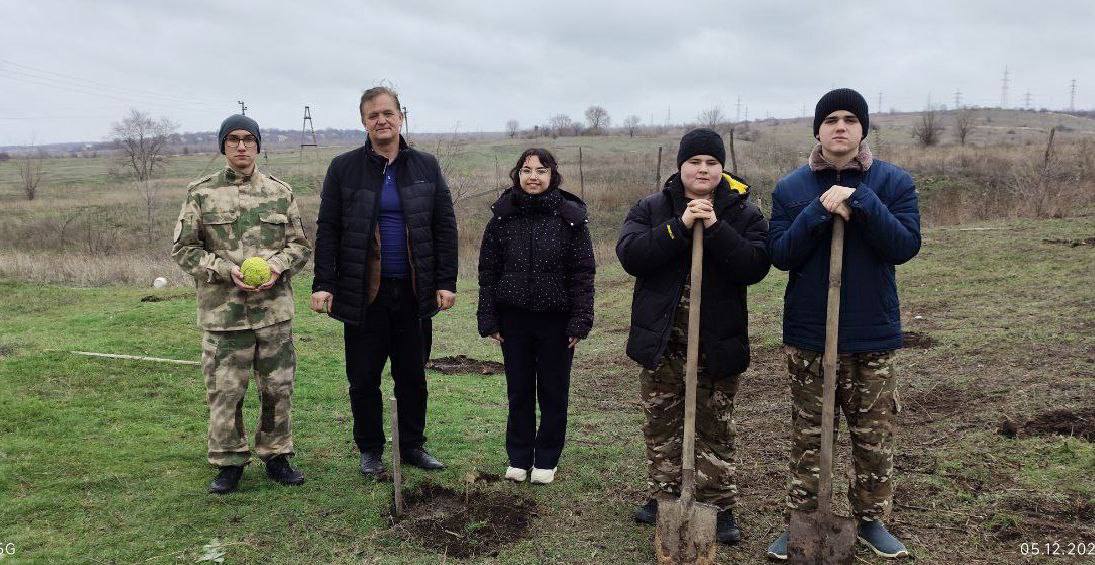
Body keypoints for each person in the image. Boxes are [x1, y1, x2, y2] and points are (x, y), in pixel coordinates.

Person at [765, 88, 921, 560]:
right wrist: (819, 211)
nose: (840, 126)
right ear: (817, 129)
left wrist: (864, 204)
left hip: (871, 331)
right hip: (810, 333)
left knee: (873, 435)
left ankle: (871, 521)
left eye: (850, 119)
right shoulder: (791, 188)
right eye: (830, 119)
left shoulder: (893, 182)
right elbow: (780, 254)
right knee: (810, 435)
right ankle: (803, 521)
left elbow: (905, 246)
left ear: (863, 129)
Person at [616, 128, 770, 545]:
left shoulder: (743, 213)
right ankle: (666, 495)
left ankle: (718, 505)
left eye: (712, 163)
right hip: (663, 341)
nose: (703, 169)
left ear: (722, 168)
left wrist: (716, 228)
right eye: (695, 162)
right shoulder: (651, 208)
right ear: (680, 166)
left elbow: (755, 265)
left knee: (714, 426)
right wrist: (680, 225)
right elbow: (632, 255)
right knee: (662, 423)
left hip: (716, 343)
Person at [311, 86, 458, 476]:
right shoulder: (343, 168)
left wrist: (446, 281)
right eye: (373, 115)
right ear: (363, 121)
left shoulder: (426, 166)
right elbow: (328, 229)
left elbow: (444, 226)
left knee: (412, 375)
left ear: (401, 117)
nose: (382, 120)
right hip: (363, 293)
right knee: (363, 378)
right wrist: (323, 283)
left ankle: (411, 445)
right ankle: (371, 450)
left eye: (388, 113)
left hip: (413, 291)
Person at [171, 114, 312, 494]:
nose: (241, 146)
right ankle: (229, 462)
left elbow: (300, 247)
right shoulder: (201, 192)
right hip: (223, 315)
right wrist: (221, 269)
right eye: (232, 139)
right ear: (223, 146)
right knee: (225, 390)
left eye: (248, 139)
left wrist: (276, 267)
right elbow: (183, 249)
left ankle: (277, 455)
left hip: (273, 313)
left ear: (258, 145)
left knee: (278, 387)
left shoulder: (280, 192)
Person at [476, 148, 595, 485]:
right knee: (520, 391)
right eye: (526, 170)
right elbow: (488, 271)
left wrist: (579, 321)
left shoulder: (570, 219)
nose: (533, 177)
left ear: (552, 176)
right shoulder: (502, 218)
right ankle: (518, 456)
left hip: (557, 322)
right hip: (513, 320)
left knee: (554, 392)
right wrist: (490, 318)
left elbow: (583, 273)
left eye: (541, 171)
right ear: (517, 174)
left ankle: (546, 459)